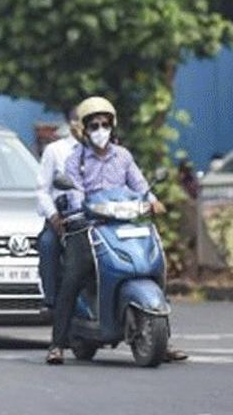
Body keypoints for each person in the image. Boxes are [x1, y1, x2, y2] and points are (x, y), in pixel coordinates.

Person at [46, 97, 186, 365]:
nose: (101, 130)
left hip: (124, 225)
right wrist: (81, 206)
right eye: (95, 125)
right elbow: (73, 191)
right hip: (89, 227)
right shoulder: (77, 161)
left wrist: (152, 200)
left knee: (153, 267)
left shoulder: (123, 157)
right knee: (73, 278)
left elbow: (139, 184)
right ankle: (57, 344)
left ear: (113, 126)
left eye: (105, 124)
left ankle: (162, 339)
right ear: (84, 130)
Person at [36, 108, 82, 310]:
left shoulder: (104, 151)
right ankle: (52, 300)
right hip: (63, 219)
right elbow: (42, 191)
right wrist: (54, 218)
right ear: (73, 123)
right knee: (47, 244)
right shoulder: (55, 150)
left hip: (96, 217)